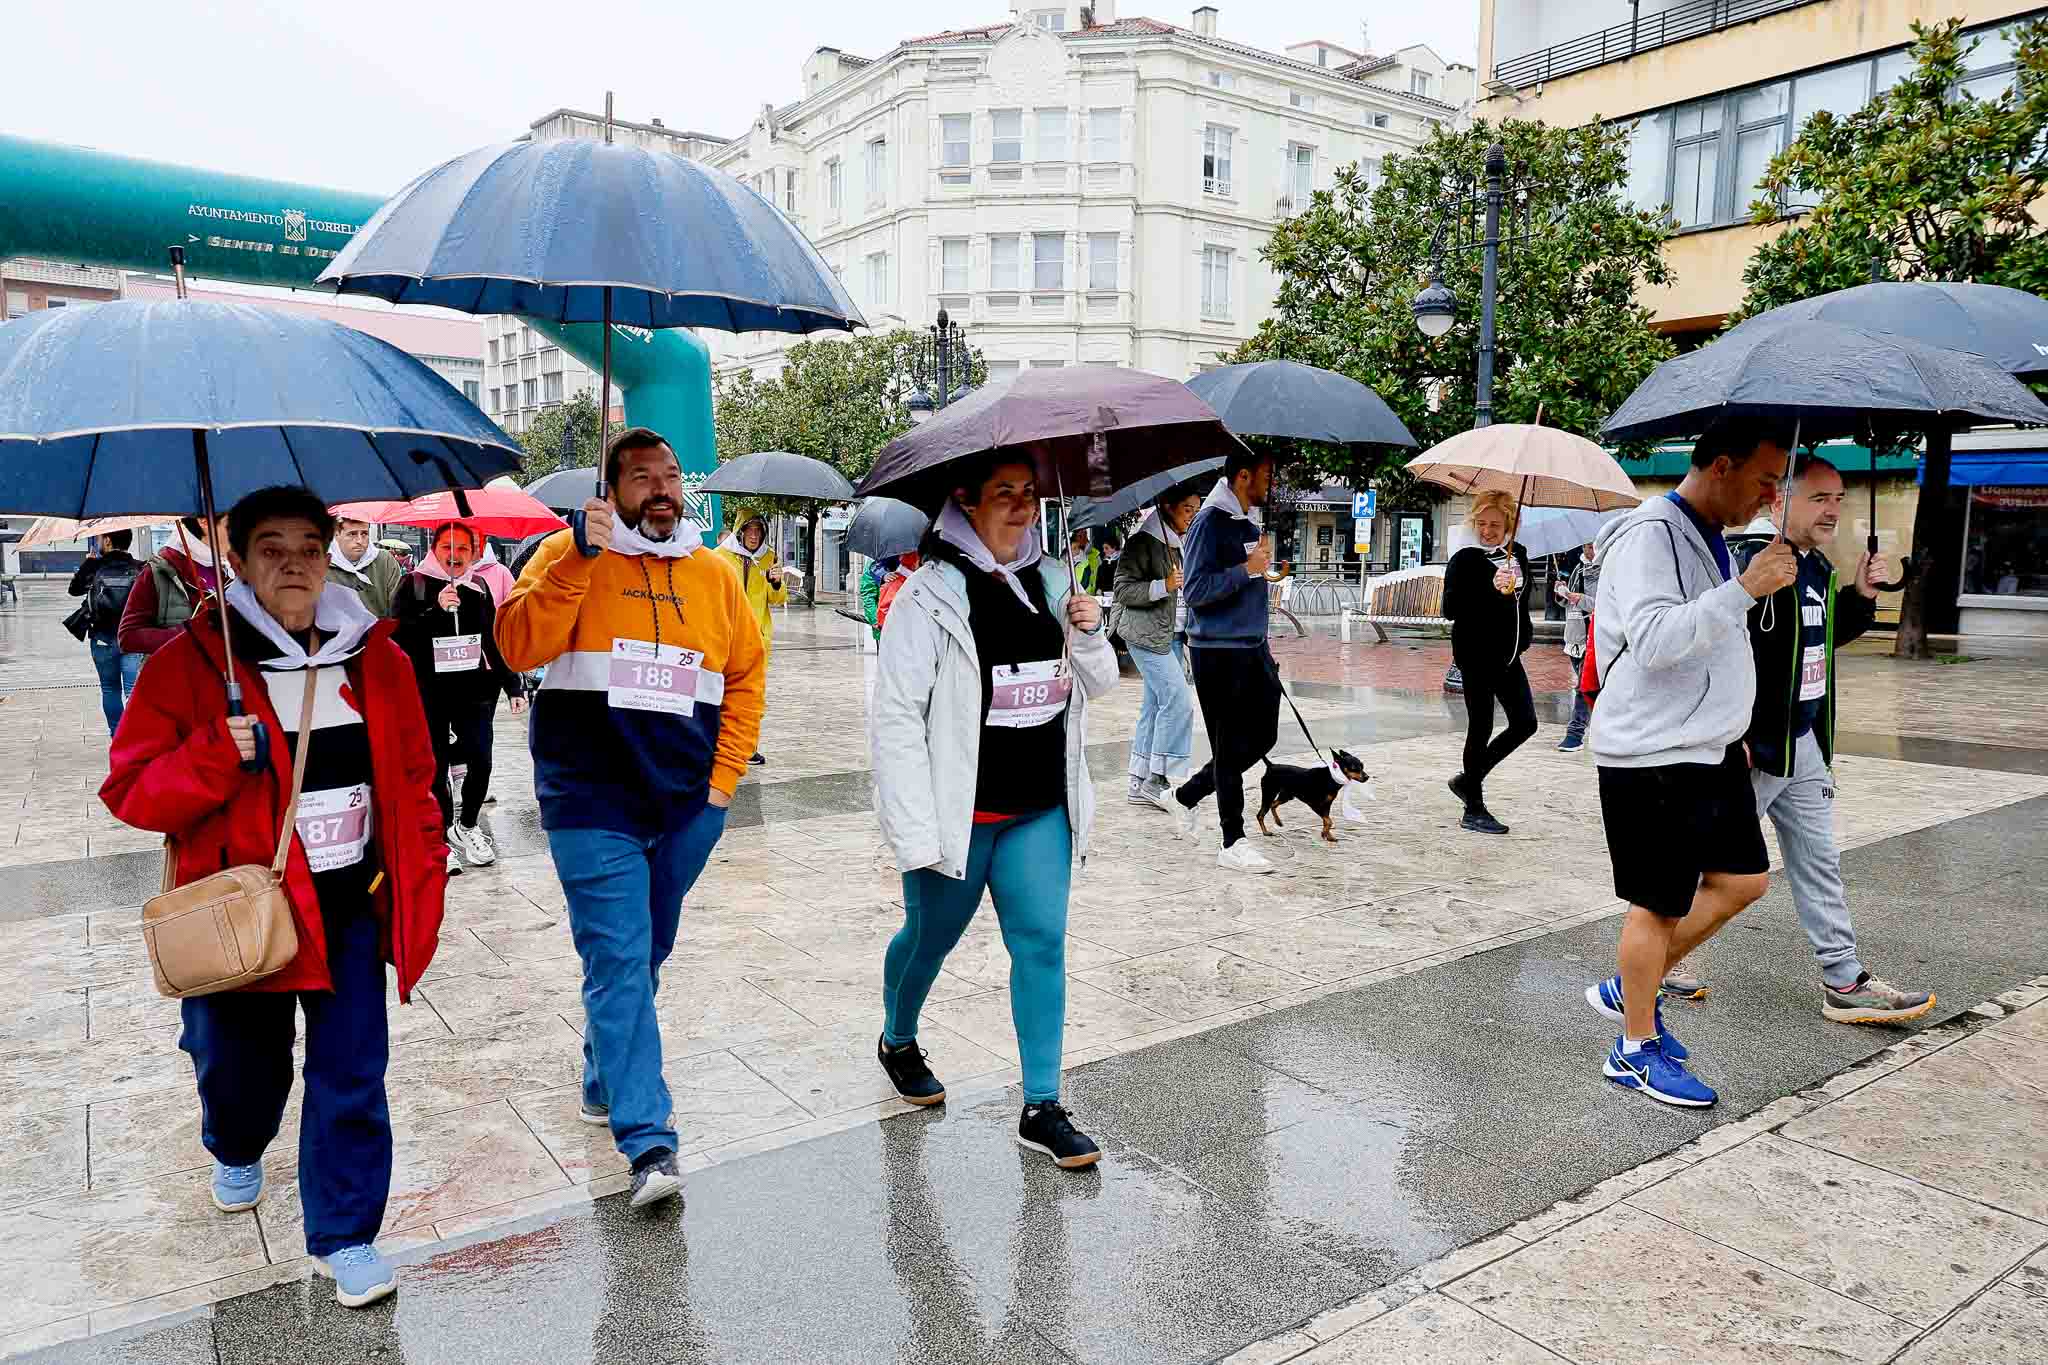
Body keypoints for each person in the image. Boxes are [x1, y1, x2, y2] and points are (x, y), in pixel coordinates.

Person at [100, 485, 447, 1309]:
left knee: (354, 1072)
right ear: (239, 558)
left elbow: (413, 775)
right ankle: (235, 1139)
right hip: (244, 917)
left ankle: (346, 1232)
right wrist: (215, 754)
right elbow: (130, 788)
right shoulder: (195, 661)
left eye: (308, 547)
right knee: (240, 1072)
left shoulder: (377, 658)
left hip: (352, 905)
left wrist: (424, 857)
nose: (293, 563)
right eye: (271, 548)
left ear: (328, 556)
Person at [496, 426, 766, 1209]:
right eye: (641, 476)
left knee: (645, 953)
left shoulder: (715, 576)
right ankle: (649, 1142)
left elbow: (746, 676)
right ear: (612, 491)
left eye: (671, 474)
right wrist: (578, 554)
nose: (660, 488)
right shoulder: (565, 552)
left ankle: (601, 1068)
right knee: (618, 957)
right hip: (591, 802)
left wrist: (720, 790)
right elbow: (516, 645)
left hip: (686, 805)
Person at [870, 456, 1118, 1167]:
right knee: (929, 939)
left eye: (1030, 494)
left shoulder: (1054, 581)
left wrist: (1091, 627)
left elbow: (1096, 683)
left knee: (1042, 943)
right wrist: (914, 832)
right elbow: (895, 719)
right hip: (962, 814)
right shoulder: (928, 595)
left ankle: (1042, 1104)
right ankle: (898, 1035)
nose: (1021, 507)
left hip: (1040, 806)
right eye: (1004, 494)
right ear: (966, 502)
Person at [1659, 456, 1933, 1024]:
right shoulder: (1754, 564)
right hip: (1755, 747)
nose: (1833, 508)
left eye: (1837, 497)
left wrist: (1859, 593)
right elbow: (1717, 650)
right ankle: (1648, 961)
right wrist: (1729, 731)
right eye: (1818, 498)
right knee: (1706, 863)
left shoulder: (1815, 567)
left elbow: (1821, 639)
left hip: (1802, 742)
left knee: (1818, 859)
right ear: (1779, 501)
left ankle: (1843, 978)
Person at [1584, 415, 1800, 1108]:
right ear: (1722, 467)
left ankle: (1632, 985)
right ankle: (1634, 1049)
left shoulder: (1709, 536)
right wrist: (1746, 589)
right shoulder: (1652, 534)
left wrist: (1725, 720)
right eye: (1766, 479)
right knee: (1656, 903)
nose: (1771, 496)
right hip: (1651, 753)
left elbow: (1708, 641)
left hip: (1706, 747)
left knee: (1745, 879)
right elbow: (1652, 639)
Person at [1171, 451, 1283, 875]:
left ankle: (1188, 794)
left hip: (1252, 646)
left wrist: (1260, 572)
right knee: (1229, 740)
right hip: (1217, 651)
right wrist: (1246, 569)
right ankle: (1232, 839)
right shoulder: (1209, 521)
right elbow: (1196, 590)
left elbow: (1243, 578)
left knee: (1262, 737)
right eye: (1266, 475)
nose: (1270, 484)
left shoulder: (1244, 521)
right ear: (1243, 475)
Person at [395, 522, 526, 874]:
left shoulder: (479, 586)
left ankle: (466, 825)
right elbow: (399, 639)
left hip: (474, 691)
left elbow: (491, 639)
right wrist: (435, 609)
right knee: (435, 767)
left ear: (474, 551)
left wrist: (513, 686)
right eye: (447, 547)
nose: (454, 555)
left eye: (463, 549)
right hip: (429, 690)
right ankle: (439, 839)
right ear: (434, 548)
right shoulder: (414, 584)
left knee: (481, 760)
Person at [1444, 492, 1538, 833]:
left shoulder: (1520, 556)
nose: (1487, 531)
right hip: (1475, 655)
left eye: (1496, 525)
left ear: (1509, 525)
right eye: (1482, 524)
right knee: (1480, 728)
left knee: (1525, 723)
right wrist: (1491, 587)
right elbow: (1450, 609)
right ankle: (1474, 808)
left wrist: (1523, 633)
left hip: (1509, 655)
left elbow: (1521, 605)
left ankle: (1467, 780)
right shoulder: (1465, 559)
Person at [1113, 488, 1201, 810]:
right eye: (1188, 508)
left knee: (1154, 707)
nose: (1191, 515)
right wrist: (1163, 585)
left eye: (1196, 509)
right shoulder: (1143, 541)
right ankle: (1157, 779)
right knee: (1178, 701)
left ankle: (1138, 781)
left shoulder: (1176, 543)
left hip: (1172, 636)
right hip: (1146, 636)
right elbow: (1122, 589)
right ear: (1167, 506)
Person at [715, 513, 787, 766]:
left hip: (757, 638)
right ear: (740, 532)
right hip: (726, 637)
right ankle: (720, 745)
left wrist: (776, 583)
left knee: (752, 695)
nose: (754, 535)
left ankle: (748, 747)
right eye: (750, 530)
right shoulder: (720, 556)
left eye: (759, 530)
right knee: (722, 693)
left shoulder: (769, 558)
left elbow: (777, 600)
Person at [68, 530, 146, 735]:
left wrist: (89, 563)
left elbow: (74, 589)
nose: (98, 542)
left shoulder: (95, 567)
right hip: (133, 639)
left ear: (108, 541)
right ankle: (135, 737)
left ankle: (117, 735)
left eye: (99, 539)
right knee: (133, 691)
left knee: (110, 689)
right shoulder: (140, 567)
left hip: (102, 638)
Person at [118, 516, 229, 657]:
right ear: (204, 522)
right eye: (231, 524)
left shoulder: (229, 569)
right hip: (182, 673)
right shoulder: (159, 571)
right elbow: (128, 637)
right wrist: (192, 635)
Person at [1556, 541, 1601, 754]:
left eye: (1592, 547)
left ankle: (1574, 734)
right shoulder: (1578, 568)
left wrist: (1581, 599)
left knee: (1584, 686)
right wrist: (1561, 593)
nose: (1588, 551)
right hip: (1574, 636)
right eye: (1585, 547)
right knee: (1594, 688)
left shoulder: (1608, 570)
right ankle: (1605, 727)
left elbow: (1606, 604)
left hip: (1595, 636)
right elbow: (1567, 603)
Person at [325, 517, 404, 618]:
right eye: (352, 534)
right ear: (336, 535)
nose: (359, 540)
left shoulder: (385, 561)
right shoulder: (320, 565)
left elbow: (398, 607)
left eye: (364, 534)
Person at [1069, 529, 1102, 595]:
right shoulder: (1069, 553)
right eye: (1079, 536)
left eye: (1084, 534)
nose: (1083, 537)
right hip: (1075, 593)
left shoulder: (1095, 554)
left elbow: (1100, 574)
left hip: (1092, 595)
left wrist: (1099, 589)